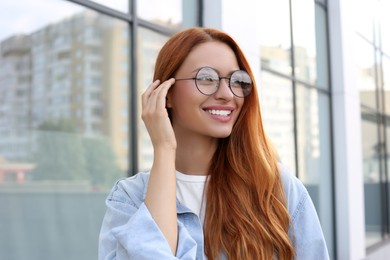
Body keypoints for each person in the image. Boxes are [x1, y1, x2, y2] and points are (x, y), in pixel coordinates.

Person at [98, 27, 329, 260]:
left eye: (237, 80)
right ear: (165, 92)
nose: (227, 93)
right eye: (206, 78)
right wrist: (164, 147)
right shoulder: (130, 198)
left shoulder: (277, 188)